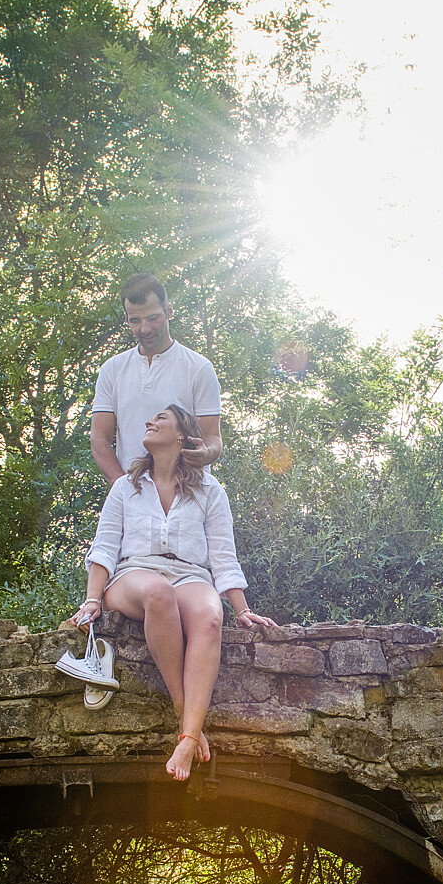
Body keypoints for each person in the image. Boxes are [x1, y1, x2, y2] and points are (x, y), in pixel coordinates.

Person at [74, 403, 278, 780]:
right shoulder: (125, 486)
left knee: (209, 615)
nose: (149, 421)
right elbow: (103, 548)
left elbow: (222, 555)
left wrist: (242, 609)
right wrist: (91, 600)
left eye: (160, 419)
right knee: (158, 592)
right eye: (150, 418)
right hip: (133, 576)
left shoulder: (209, 489)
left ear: (182, 435)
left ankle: (186, 738)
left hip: (188, 574)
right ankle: (186, 714)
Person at [91, 274, 224, 486]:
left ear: (168, 310)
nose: (145, 329)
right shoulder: (112, 370)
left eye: (153, 318)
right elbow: (99, 439)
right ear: (127, 319)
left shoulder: (199, 368)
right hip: (131, 498)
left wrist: (205, 453)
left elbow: (213, 438)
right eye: (135, 320)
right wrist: (124, 489)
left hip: (187, 496)